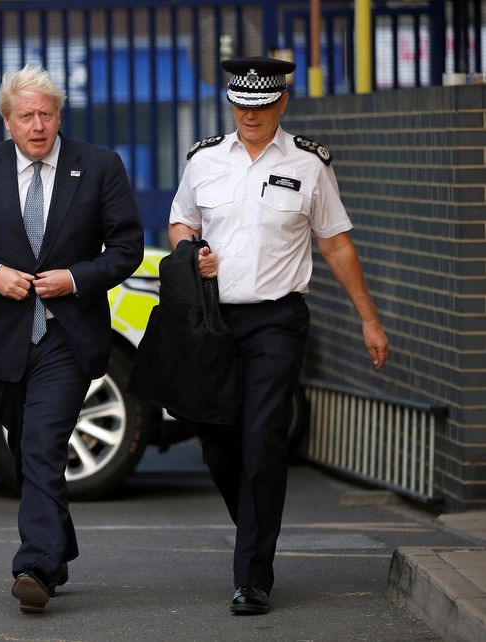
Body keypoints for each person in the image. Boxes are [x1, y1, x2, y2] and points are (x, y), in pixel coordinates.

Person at [168, 56, 390, 615]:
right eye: (242, 105)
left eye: (262, 106)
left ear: (281, 104)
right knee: (218, 445)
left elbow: (336, 243)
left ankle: (252, 576)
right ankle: (257, 526)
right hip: (215, 323)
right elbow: (180, 224)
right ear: (231, 103)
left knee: (262, 438)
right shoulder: (203, 160)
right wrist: (191, 255)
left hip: (277, 321)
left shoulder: (309, 165)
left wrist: (369, 318)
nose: (251, 116)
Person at [0, 65, 144, 614]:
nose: (37, 125)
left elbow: (127, 248)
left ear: (59, 116)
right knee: (26, 449)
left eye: (46, 114)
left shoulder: (99, 167)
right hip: (7, 336)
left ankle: (35, 567)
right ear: (7, 121)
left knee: (42, 443)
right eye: (25, 115)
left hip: (68, 335)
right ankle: (59, 543)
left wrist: (77, 278)